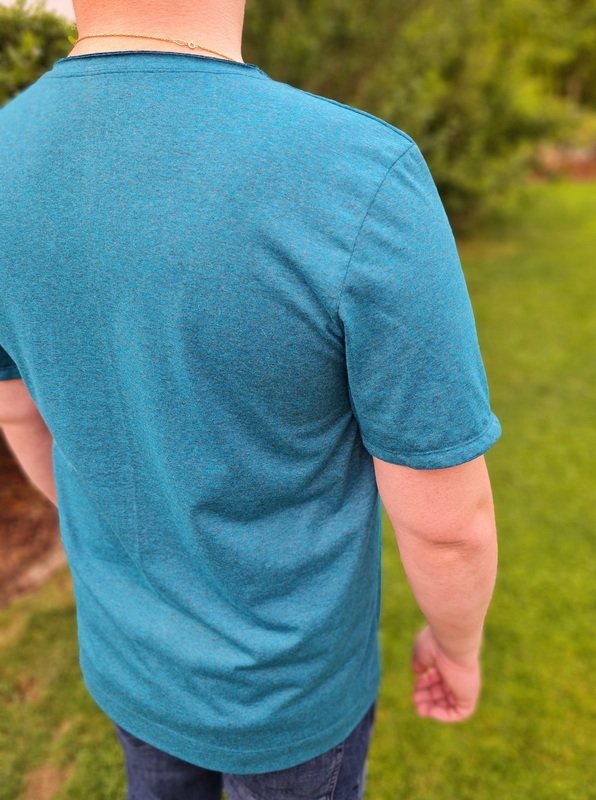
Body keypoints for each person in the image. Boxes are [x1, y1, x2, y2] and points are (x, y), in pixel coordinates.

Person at [0, 1, 501, 797]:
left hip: (131, 657)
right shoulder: (356, 174)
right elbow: (446, 526)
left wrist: (140, 540)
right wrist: (457, 648)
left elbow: (18, 412)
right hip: (286, 689)